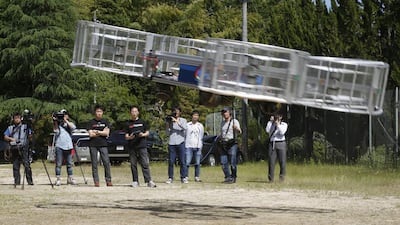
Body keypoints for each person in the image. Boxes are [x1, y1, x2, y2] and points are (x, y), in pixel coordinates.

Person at [124, 106, 156, 188]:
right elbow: (126, 136)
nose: (134, 113)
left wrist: (142, 135)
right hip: (132, 146)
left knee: (145, 163)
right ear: (130, 113)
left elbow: (147, 132)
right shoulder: (128, 123)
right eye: (132, 111)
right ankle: (135, 181)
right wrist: (130, 137)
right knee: (133, 164)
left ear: (138, 112)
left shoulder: (142, 122)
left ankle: (148, 180)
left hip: (142, 145)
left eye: (135, 111)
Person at [3, 112, 34, 186]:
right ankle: (17, 181)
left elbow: (30, 136)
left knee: (26, 165)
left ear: (21, 119)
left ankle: (30, 181)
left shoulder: (25, 127)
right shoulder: (10, 128)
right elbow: (5, 137)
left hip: (23, 148)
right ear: (13, 119)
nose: (16, 119)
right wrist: (11, 139)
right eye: (15, 118)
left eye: (18, 118)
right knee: (15, 166)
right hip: (14, 148)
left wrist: (30, 134)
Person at [87, 105, 112, 187]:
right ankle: (96, 181)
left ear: (102, 113)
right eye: (97, 111)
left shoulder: (106, 121)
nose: (99, 113)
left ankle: (108, 180)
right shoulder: (91, 122)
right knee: (94, 164)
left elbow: (107, 133)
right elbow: (91, 134)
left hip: (103, 144)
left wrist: (97, 131)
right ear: (95, 112)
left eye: (100, 112)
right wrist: (101, 132)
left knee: (106, 162)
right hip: (93, 145)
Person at [52, 109, 77, 186]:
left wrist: (65, 121)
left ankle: (70, 178)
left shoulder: (69, 124)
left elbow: (73, 128)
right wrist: (55, 121)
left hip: (68, 146)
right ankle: (58, 178)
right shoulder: (58, 125)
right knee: (58, 164)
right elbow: (56, 131)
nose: (63, 116)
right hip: (59, 145)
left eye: (65, 114)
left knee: (69, 163)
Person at [165, 106, 188, 184]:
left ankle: (183, 177)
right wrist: (168, 125)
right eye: (175, 111)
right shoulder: (170, 121)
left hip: (180, 142)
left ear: (180, 112)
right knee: (171, 161)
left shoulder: (183, 120)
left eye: (177, 111)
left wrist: (177, 122)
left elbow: (185, 128)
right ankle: (170, 177)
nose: (176, 113)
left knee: (182, 161)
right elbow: (167, 133)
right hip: (172, 143)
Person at [219, 107, 241, 183]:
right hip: (224, 143)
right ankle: (228, 177)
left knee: (232, 161)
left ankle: (233, 176)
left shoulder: (234, 121)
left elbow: (239, 131)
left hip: (232, 143)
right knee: (223, 162)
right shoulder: (222, 123)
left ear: (229, 113)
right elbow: (222, 133)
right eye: (223, 112)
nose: (225, 114)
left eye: (226, 112)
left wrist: (236, 128)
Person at [265, 113, 288, 182]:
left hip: (281, 143)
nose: (276, 119)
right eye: (275, 118)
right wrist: (270, 122)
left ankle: (281, 178)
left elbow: (282, 132)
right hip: (272, 144)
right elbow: (267, 130)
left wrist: (278, 124)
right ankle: (270, 179)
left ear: (281, 118)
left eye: (277, 118)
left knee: (282, 162)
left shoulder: (284, 124)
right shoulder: (271, 124)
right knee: (271, 162)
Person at [184, 110, 204, 182]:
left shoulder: (200, 125)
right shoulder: (187, 125)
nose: (195, 117)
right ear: (192, 116)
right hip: (189, 145)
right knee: (187, 162)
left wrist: (200, 146)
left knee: (197, 163)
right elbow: (185, 135)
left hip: (197, 146)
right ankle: (185, 176)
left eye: (197, 115)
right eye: (194, 115)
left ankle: (197, 176)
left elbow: (201, 136)